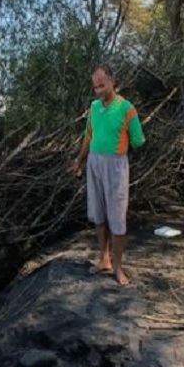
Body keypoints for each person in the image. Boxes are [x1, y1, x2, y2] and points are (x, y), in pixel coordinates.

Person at [73, 64, 145, 286]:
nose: (98, 91)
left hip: (115, 166)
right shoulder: (94, 108)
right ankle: (103, 259)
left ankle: (118, 267)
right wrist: (79, 162)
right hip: (94, 162)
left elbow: (138, 140)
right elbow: (88, 136)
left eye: (102, 85)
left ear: (113, 81)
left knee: (117, 216)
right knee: (98, 213)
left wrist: (129, 141)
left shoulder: (127, 109)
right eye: (95, 87)